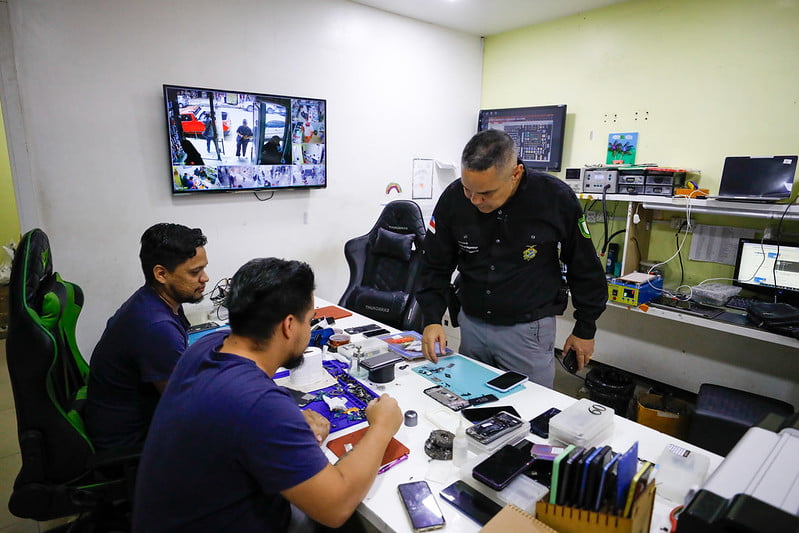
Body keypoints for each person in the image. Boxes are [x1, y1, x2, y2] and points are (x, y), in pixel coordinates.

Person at [133, 258, 403, 532]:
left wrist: (288, 420)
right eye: (309, 321)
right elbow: (336, 507)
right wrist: (382, 426)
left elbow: (232, 414)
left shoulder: (205, 347)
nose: (310, 331)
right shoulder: (259, 405)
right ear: (289, 325)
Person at [416, 129, 607, 388]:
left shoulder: (554, 198)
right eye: (468, 189)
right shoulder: (453, 198)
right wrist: (432, 319)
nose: (475, 200)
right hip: (472, 323)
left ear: (515, 174)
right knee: (470, 398)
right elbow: (434, 262)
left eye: (486, 193)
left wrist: (585, 328)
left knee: (531, 409)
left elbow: (584, 266)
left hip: (528, 331)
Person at [85, 223, 209, 450]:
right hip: (131, 444)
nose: (205, 278)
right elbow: (187, 407)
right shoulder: (156, 327)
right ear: (161, 274)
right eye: (195, 272)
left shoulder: (153, 300)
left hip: (135, 420)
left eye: (203, 269)